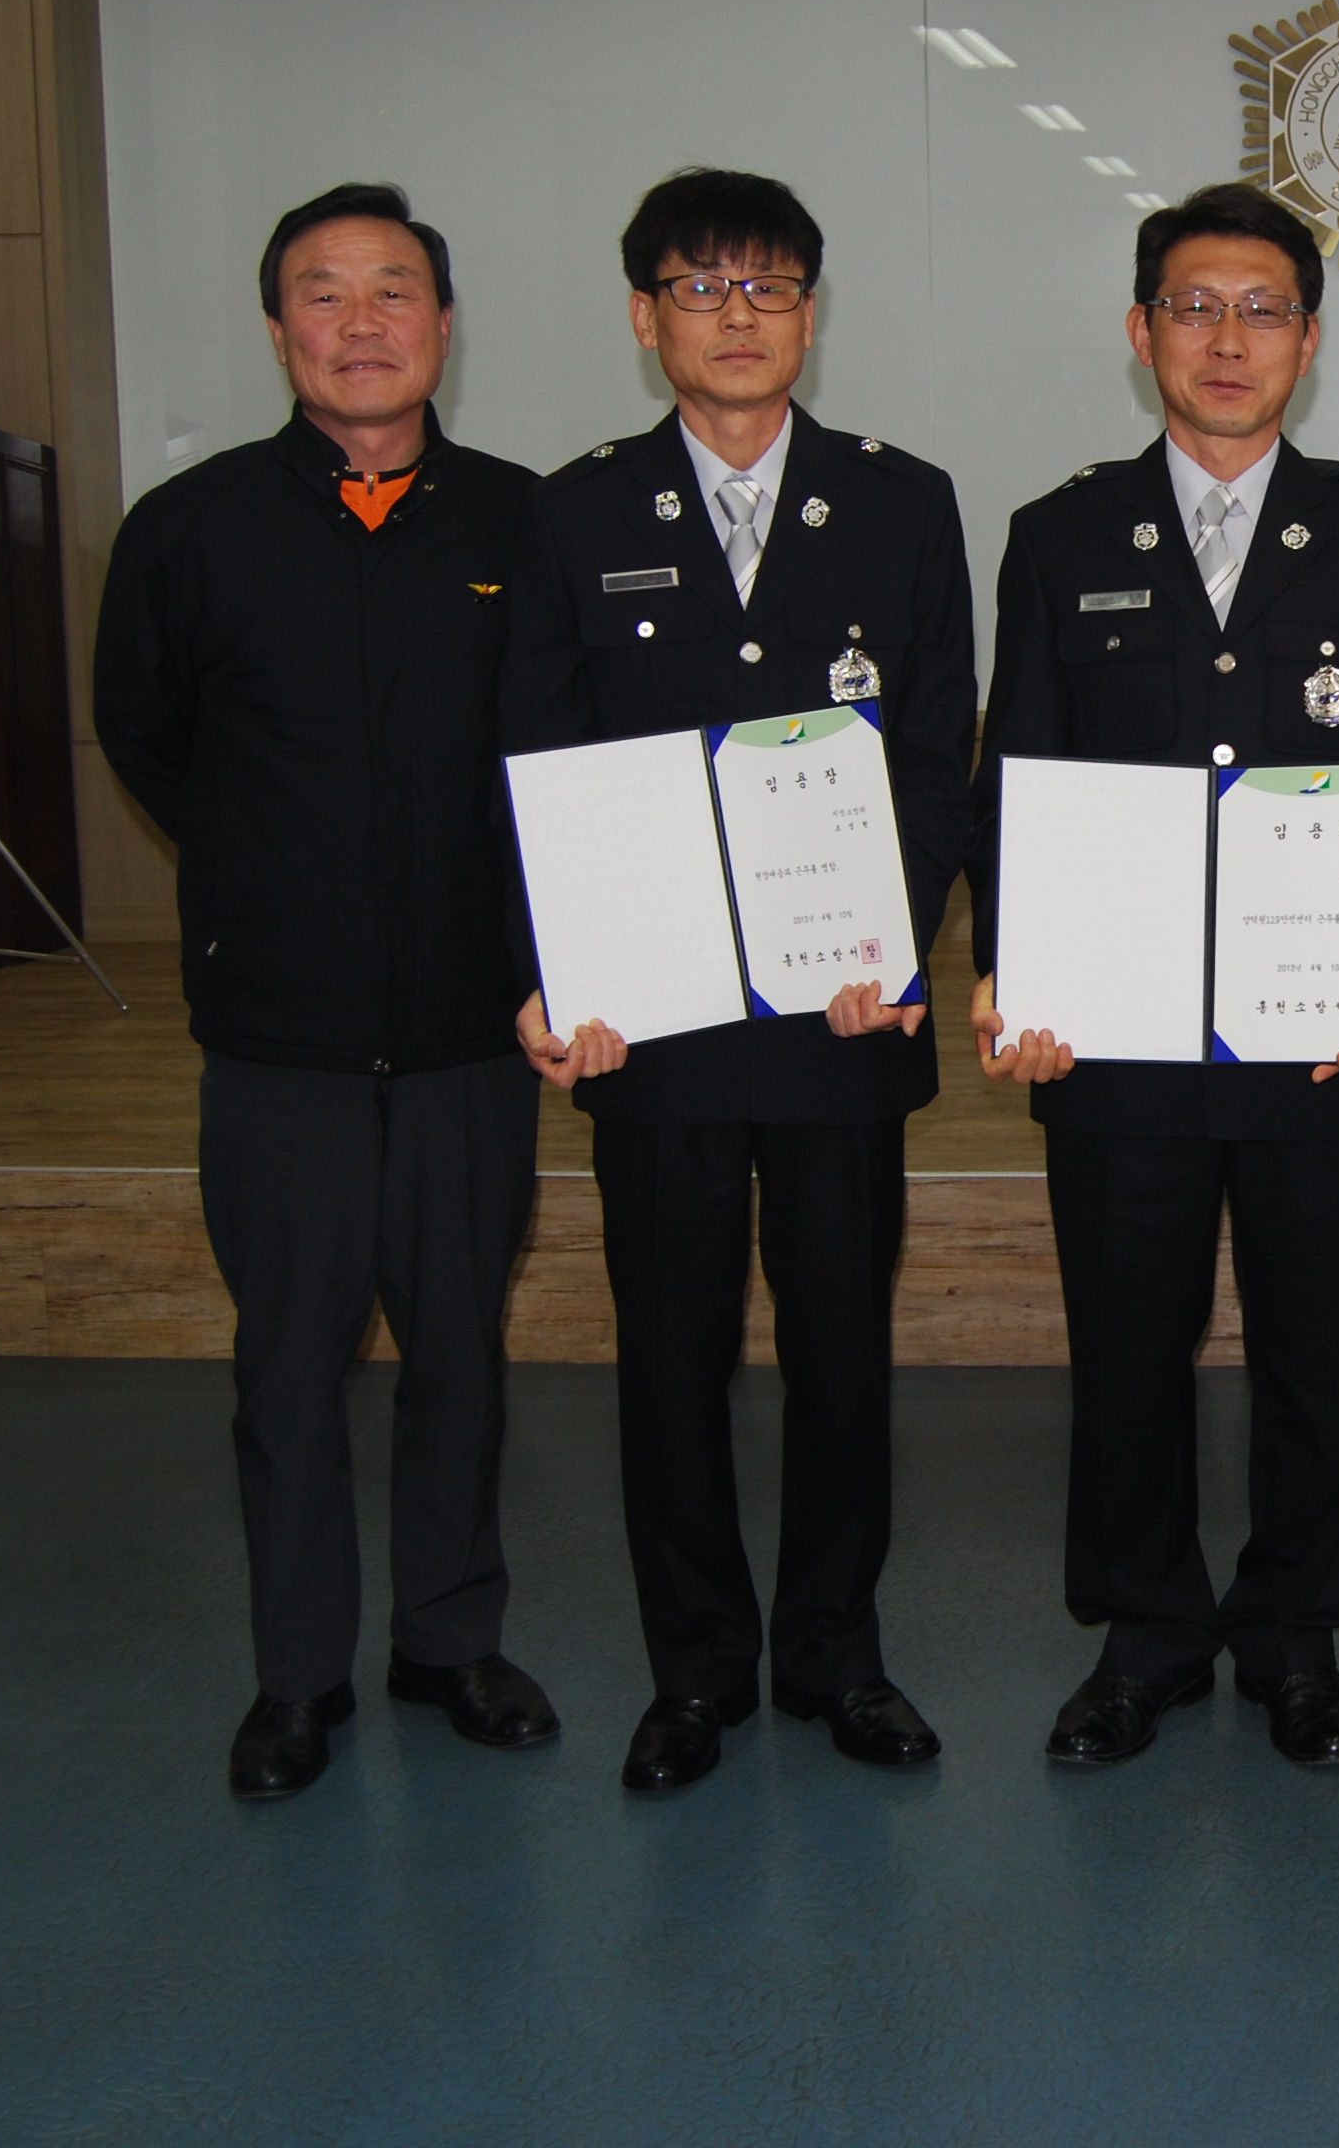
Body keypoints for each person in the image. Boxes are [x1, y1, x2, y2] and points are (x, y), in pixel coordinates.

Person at [967, 183, 1339, 1772]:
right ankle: (1145, 1634)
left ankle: (1297, 1635)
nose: (1228, 338)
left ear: (1311, 343)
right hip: (1113, 1035)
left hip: (1321, 1031)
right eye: (1195, 306)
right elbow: (1017, 770)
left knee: (1315, 1344)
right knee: (1129, 1342)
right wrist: (1011, 970)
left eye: (1263, 310)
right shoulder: (1059, 537)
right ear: (1142, 332)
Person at [501, 169, 974, 1791]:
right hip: (659, 1027)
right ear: (646, 318)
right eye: (701, 288)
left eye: (769, 287)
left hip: (844, 1018)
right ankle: (695, 1671)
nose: (738, 316)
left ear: (811, 316)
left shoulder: (903, 505)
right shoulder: (572, 515)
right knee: (671, 1353)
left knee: (843, 1349)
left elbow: (935, 756)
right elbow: (539, 761)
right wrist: (556, 971)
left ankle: (839, 1655)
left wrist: (893, 942)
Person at [96, 182, 557, 1799]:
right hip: (278, 1036)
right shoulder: (190, 530)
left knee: (461, 1358)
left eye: (394, 290)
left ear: (444, 322)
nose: (362, 322)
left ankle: (447, 1639)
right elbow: (148, 736)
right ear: (278, 324)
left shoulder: (526, 526)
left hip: (472, 1030)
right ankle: (297, 1676)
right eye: (324, 292)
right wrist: (267, 875)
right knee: (287, 1371)